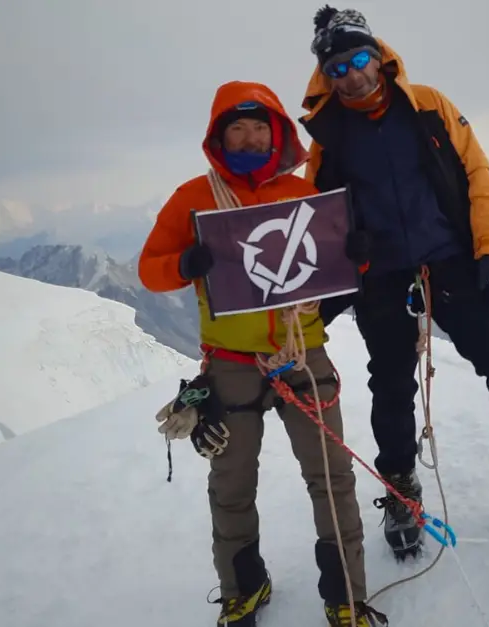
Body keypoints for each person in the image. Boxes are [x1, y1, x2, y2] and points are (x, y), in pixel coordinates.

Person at [296, 6, 489, 558]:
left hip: (450, 260)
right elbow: (318, 217)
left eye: (359, 59)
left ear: (378, 55)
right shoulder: (328, 137)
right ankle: (401, 490)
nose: (353, 75)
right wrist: (346, 252)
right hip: (380, 276)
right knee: (391, 387)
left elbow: (476, 173)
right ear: (326, 76)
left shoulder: (429, 106)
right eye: (337, 68)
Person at [138, 80, 388, 627]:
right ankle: (242, 589)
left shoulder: (304, 193)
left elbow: (337, 266)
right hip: (231, 360)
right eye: (238, 127)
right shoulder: (193, 199)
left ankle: (346, 593)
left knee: (332, 477)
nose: (249, 138)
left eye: (259, 127)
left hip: (303, 351)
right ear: (219, 136)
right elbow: (150, 268)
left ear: (276, 134)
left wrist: (359, 256)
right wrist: (185, 264)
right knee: (232, 482)